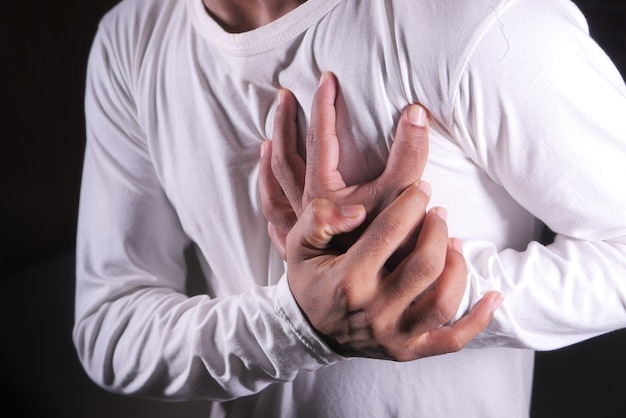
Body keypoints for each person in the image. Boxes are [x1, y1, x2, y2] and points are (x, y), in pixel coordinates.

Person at [73, 0, 626, 417]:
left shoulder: (473, 16)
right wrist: (296, 323)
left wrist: (409, 292)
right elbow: (109, 325)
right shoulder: (130, 38)